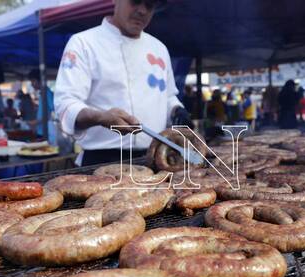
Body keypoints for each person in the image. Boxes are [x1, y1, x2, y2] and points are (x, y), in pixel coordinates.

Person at [54, 0, 192, 166]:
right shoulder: (83, 43)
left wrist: (177, 110)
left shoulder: (159, 49)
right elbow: (65, 104)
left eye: (149, 5)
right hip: (102, 161)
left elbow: (167, 96)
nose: (142, 10)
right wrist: (100, 117)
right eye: (135, 2)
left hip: (155, 158)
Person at [28, 69, 55, 138]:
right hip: (41, 131)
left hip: (47, 132)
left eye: (33, 81)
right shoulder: (42, 93)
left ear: (40, 80)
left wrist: (36, 122)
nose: (31, 84)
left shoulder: (47, 93)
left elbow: (53, 114)